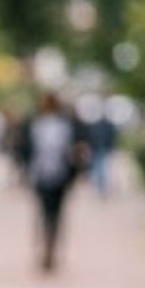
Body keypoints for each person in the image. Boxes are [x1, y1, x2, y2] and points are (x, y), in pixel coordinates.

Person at [19, 90, 85, 273]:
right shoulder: (36, 124)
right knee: (46, 213)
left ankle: (51, 247)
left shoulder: (64, 125)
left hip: (59, 176)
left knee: (54, 214)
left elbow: (75, 150)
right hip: (42, 175)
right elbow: (26, 149)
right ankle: (46, 247)